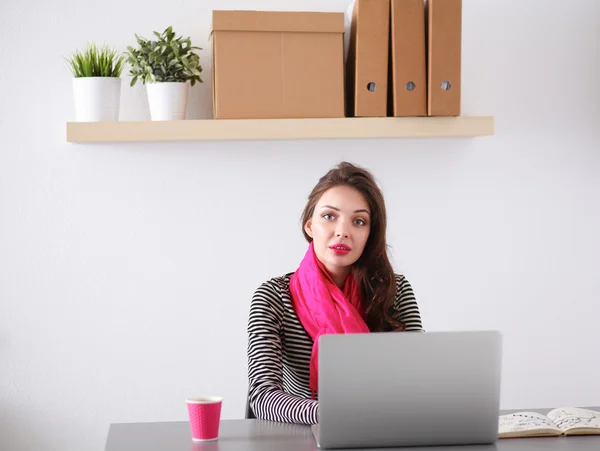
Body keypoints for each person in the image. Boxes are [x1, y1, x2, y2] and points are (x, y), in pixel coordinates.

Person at [247, 161, 423, 425]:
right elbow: (263, 397)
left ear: (369, 234)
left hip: (383, 431)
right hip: (305, 434)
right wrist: (334, 415)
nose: (343, 231)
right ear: (309, 226)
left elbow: (417, 380)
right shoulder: (273, 297)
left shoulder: (395, 291)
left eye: (359, 221)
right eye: (329, 216)